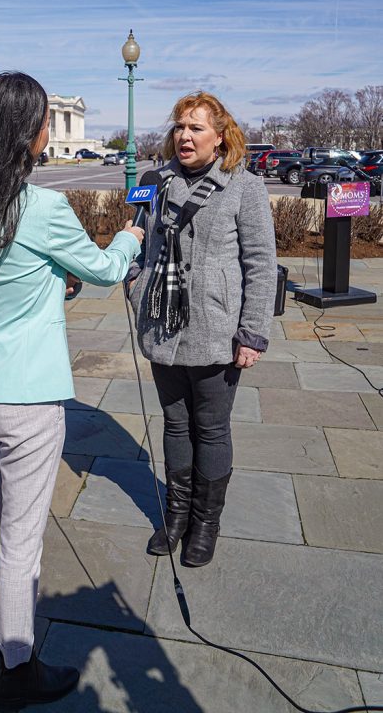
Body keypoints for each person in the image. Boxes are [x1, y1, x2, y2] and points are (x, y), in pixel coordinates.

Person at [0, 71, 144, 707]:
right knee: (20, 535)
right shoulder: (45, 206)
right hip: (26, 393)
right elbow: (107, 270)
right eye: (44, 122)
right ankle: (19, 664)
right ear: (29, 133)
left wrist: (51, 282)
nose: (50, 131)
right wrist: (133, 235)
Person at [128, 92, 275, 568]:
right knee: (174, 423)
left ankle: (206, 522)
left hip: (215, 329)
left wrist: (252, 333)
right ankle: (176, 515)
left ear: (220, 136)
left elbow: (261, 265)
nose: (184, 136)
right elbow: (137, 240)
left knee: (210, 429)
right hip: (161, 326)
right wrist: (136, 288)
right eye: (179, 127)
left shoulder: (243, 187)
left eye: (195, 128)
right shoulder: (155, 180)